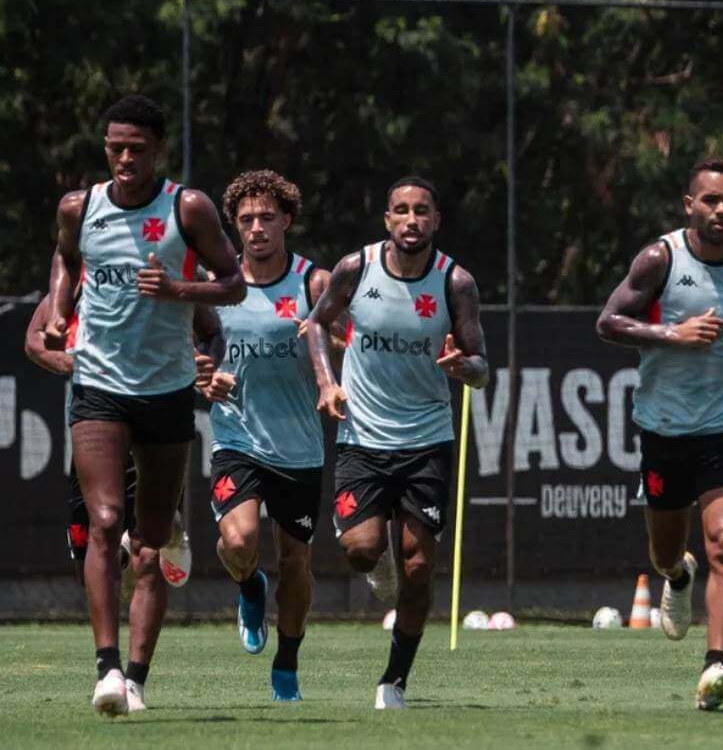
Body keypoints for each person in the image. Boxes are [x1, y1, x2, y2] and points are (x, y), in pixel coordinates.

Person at [44, 95, 245, 716]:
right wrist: (58, 309)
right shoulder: (81, 206)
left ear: (158, 148)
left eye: (136, 148)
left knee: (150, 543)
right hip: (99, 385)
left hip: (165, 391)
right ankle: (106, 671)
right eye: (114, 148)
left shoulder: (189, 208)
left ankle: (137, 677)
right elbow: (67, 260)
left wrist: (180, 289)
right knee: (105, 522)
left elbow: (235, 283)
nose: (124, 158)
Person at [597, 158, 723, 711]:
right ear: (689, 206)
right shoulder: (661, 258)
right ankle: (677, 577)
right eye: (710, 201)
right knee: (664, 551)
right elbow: (608, 322)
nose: (721, 210)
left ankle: (715, 667)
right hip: (665, 430)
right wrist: (671, 333)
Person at [305, 176, 488, 709]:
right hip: (361, 438)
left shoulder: (456, 282)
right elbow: (316, 326)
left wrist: (463, 366)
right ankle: (376, 561)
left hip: (427, 439)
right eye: (401, 211)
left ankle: (395, 679)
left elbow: (481, 367)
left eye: (422, 211)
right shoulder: (354, 269)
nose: (411, 220)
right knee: (361, 551)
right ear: (387, 219)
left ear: (436, 220)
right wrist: (326, 382)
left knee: (418, 566)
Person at [25, 288, 213, 712]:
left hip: (154, 429)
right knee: (94, 553)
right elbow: (34, 339)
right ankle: (163, 530)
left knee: (147, 556)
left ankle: (131, 680)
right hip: (95, 432)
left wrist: (203, 362)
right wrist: (67, 362)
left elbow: (210, 331)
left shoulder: (166, 269)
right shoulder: (78, 279)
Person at [201, 170, 331, 702]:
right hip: (237, 439)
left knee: (296, 562)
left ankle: (287, 664)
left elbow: (350, 337)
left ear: (287, 222)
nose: (256, 228)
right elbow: (188, 350)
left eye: (267, 218)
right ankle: (247, 586)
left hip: (300, 447)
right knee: (239, 541)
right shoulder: (216, 284)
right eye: (246, 219)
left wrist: (333, 361)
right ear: (234, 225)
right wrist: (202, 374)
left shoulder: (313, 284)